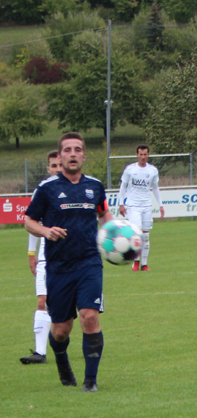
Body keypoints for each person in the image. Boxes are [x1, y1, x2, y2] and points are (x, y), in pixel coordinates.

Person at [24, 132, 112, 392]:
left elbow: (104, 212)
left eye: (77, 150)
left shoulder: (95, 186)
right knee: (61, 330)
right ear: (60, 156)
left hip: (89, 263)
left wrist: (114, 236)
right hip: (59, 267)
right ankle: (61, 360)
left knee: (89, 316)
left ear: (84, 155)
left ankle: (90, 381)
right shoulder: (47, 188)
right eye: (67, 150)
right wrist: (46, 231)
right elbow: (29, 221)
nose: (73, 154)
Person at [20, 151, 62, 365]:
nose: (57, 169)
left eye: (59, 165)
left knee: (71, 309)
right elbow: (32, 224)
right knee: (42, 301)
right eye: (53, 166)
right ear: (48, 168)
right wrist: (31, 254)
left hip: (72, 258)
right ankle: (40, 352)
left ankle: (62, 338)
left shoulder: (75, 189)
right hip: (46, 256)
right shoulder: (43, 190)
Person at [118, 145, 164, 271]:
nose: (143, 157)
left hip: (147, 206)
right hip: (133, 206)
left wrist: (160, 204)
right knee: (136, 233)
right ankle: (136, 261)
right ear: (137, 155)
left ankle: (144, 264)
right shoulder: (130, 169)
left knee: (145, 236)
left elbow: (155, 187)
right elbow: (123, 186)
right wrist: (121, 203)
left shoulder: (153, 170)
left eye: (145, 154)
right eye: (140, 154)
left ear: (148, 155)